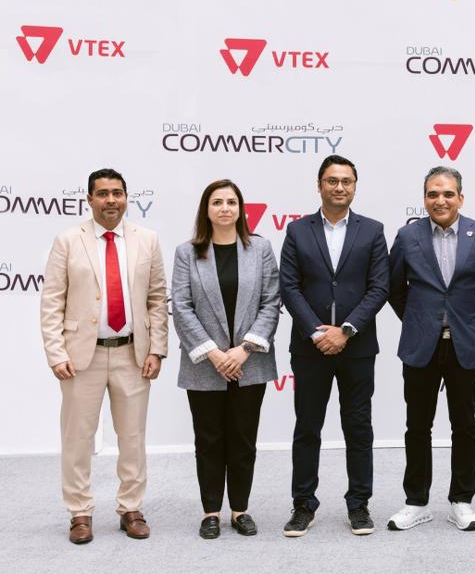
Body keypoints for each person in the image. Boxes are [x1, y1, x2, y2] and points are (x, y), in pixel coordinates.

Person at [40, 168, 169, 544]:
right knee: (77, 438)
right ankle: (79, 512)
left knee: (133, 436)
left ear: (126, 197)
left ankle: (131, 508)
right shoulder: (68, 241)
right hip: (82, 357)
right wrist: (56, 352)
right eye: (102, 193)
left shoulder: (147, 240)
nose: (111, 200)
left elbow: (157, 299)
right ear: (89, 199)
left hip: (133, 354)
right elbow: (52, 301)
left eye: (117, 193)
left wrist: (157, 348)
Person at [386, 166, 475, 532]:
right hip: (420, 345)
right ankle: (416, 502)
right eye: (433, 194)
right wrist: (420, 321)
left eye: (448, 194)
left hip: (464, 345)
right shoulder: (407, 236)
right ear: (424, 199)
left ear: (461, 198)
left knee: (464, 425)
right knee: (417, 426)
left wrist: (470, 323)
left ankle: (461, 501)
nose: (441, 200)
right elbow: (394, 289)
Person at [278, 154, 389, 537]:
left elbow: (379, 287)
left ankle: (359, 505)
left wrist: (346, 330)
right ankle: (302, 505)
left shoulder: (372, 230)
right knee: (308, 427)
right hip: (310, 349)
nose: (339, 187)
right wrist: (316, 332)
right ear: (319, 185)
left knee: (358, 427)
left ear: (355, 187)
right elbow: (289, 286)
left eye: (346, 181)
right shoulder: (297, 230)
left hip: (357, 347)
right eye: (332, 180)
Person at [171, 179, 281, 539]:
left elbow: (271, 302)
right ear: (206, 209)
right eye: (217, 202)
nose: (224, 208)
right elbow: (181, 306)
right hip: (205, 364)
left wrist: (244, 349)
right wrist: (215, 353)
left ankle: (240, 510)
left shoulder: (260, 249)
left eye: (231, 202)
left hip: (250, 362)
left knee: (243, 439)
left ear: (240, 209)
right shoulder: (187, 252)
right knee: (208, 440)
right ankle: (211, 512)